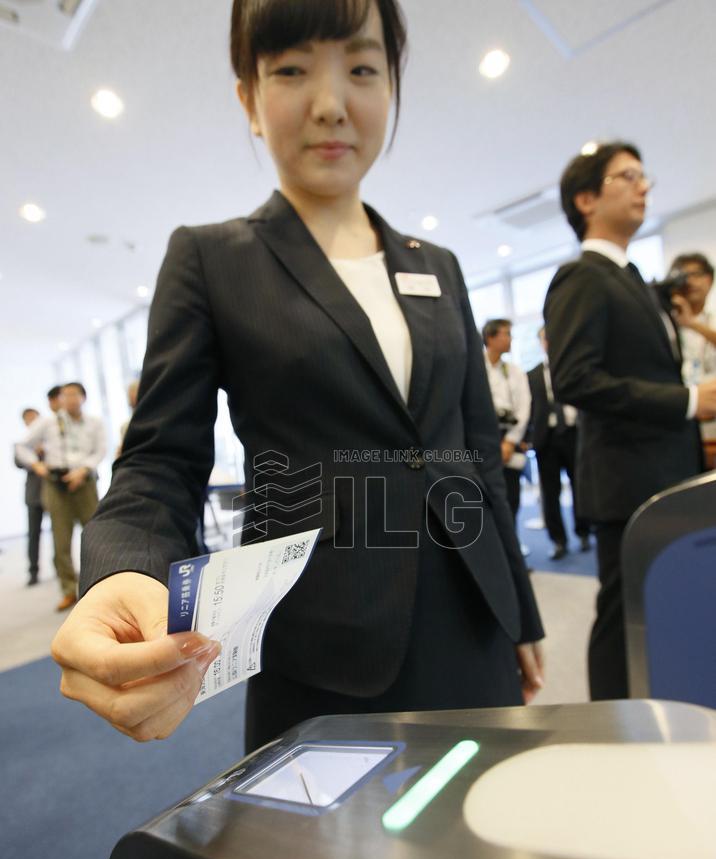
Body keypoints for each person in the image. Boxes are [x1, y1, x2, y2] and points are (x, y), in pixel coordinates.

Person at [52, 0, 544, 753]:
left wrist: (522, 610)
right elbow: (159, 460)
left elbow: (476, 454)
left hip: (473, 613)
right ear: (249, 97)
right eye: (291, 70)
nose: (330, 104)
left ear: (392, 87)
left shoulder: (436, 267)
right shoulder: (213, 260)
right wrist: (127, 571)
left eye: (362, 69)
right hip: (322, 637)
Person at [544, 141, 716, 701]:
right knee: (623, 616)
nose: (644, 186)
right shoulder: (583, 276)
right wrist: (688, 402)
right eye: (629, 176)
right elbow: (575, 379)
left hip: (662, 474)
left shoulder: (633, 280)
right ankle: (610, 733)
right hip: (629, 482)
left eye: (645, 175)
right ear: (587, 198)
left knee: (662, 606)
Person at [16, 382, 106, 611]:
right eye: (65, 395)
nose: (70, 399)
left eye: (75, 394)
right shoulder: (47, 422)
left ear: (83, 397)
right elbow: (21, 446)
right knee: (61, 539)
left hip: (84, 482)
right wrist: (37, 465)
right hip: (55, 484)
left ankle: (101, 585)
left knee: (96, 534)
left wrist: (84, 469)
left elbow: (100, 450)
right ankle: (68, 589)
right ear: (60, 399)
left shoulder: (94, 423)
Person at [527, 328, 590, 560]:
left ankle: (583, 531)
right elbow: (529, 408)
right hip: (547, 439)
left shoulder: (574, 367)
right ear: (541, 342)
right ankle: (558, 541)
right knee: (550, 492)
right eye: (545, 338)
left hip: (574, 433)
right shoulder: (532, 375)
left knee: (579, 486)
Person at [482, 319, 531, 523]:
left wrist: (510, 441)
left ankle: (512, 545)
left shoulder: (514, 371)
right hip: (483, 439)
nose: (510, 339)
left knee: (512, 497)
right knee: (485, 496)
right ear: (490, 338)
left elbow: (524, 407)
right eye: (506, 334)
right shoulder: (475, 368)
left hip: (509, 438)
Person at [668, 252, 716, 444]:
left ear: (710, 278)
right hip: (685, 415)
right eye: (684, 276)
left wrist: (692, 324)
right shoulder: (667, 321)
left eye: (697, 274)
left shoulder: (712, 317)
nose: (691, 282)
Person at [14, 408, 45, 585]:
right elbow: (19, 462)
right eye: (28, 420)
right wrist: (34, 456)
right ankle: (33, 571)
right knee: (33, 533)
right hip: (34, 493)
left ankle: (61, 569)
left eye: (34, 418)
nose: (32, 422)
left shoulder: (50, 439)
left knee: (60, 534)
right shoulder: (22, 444)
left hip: (54, 491)